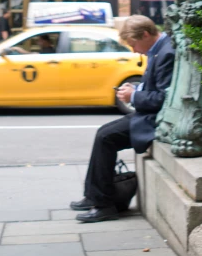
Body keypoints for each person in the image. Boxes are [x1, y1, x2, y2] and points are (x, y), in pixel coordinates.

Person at [70, 15, 175, 223]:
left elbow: (164, 99)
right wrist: (135, 90)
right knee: (104, 133)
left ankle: (103, 204)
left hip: (154, 118)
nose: (134, 50)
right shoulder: (159, 49)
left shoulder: (166, 53)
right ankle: (94, 196)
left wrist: (133, 96)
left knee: (105, 136)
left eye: (133, 44)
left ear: (145, 34)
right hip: (147, 114)